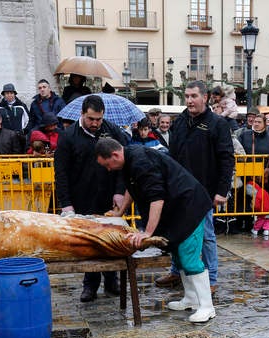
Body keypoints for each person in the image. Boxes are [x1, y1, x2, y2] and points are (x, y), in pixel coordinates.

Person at [94, 138, 216, 323]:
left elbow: (156, 197)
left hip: (190, 207)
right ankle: (191, 298)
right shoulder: (129, 160)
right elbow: (131, 188)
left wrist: (147, 233)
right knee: (179, 256)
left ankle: (207, 307)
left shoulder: (141, 161)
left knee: (189, 258)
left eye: (107, 165)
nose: (108, 169)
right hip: (177, 211)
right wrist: (120, 212)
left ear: (115, 155)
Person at [156, 81, 233, 292]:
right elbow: (172, 156)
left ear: (205, 97)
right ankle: (176, 271)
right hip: (179, 190)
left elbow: (227, 159)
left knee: (207, 235)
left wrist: (221, 190)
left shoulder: (217, 124)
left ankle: (212, 279)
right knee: (177, 231)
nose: (189, 100)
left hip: (205, 190)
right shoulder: (179, 121)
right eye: (187, 96)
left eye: (193, 96)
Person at [54, 94, 129, 302]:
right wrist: (66, 204)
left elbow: (125, 163)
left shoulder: (112, 131)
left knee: (111, 238)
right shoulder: (68, 137)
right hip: (82, 198)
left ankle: (112, 279)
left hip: (109, 196)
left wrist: (120, 191)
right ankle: (90, 284)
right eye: (91, 119)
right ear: (82, 114)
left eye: (99, 119)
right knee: (89, 243)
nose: (95, 123)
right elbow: (61, 173)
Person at [0, 83, 29, 150]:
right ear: (4, 95)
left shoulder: (21, 106)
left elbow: (28, 119)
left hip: (19, 136)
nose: (9, 95)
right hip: (4, 137)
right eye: (7, 93)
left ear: (14, 94)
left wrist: (23, 130)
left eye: (11, 93)